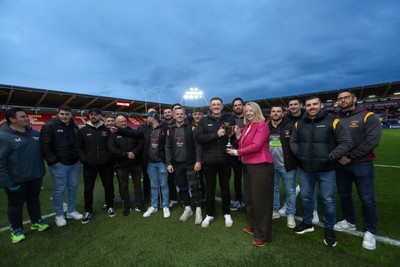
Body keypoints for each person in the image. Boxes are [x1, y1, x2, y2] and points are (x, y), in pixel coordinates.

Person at [290, 95, 352, 247]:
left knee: (328, 200)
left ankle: (329, 228)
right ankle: (307, 222)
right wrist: (300, 154)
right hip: (305, 169)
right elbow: (293, 141)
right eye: (309, 105)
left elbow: (346, 142)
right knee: (306, 198)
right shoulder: (299, 124)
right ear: (305, 107)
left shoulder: (333, 121)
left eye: (314, 104)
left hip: (326, 170)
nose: (311, 107)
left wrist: (332, 156)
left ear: (321, 105)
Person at [334, 90, 382, 250]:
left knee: (367, 199)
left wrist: (350, 155)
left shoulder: (368, 116)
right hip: (341, 164)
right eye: (340, 98)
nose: (343, 100)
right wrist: (339, 156)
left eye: (346, 97)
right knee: (344, 194)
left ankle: (370, 231)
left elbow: (372, 141)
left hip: (362, 164)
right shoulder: (336, 118)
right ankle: (349, 221)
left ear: (354, 99)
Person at [226, 102, 274, 247]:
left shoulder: (262, 125)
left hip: (261, 167)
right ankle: (253, 226)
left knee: (261, 202)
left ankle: (263, 235)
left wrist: (236, 153)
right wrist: (239, 136)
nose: (248, 113)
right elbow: (244, 144)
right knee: (250, 199)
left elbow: (256, 146)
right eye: (246, 111)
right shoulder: (248, 126)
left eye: (250, 110)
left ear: (256, 111)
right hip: (248, 166)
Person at [0, 108, 49, 243]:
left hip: (35, 176)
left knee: (34, 200)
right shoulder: (3, 136)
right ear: (12, 119)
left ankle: (36, 222)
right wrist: (5, 181)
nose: (26, 118)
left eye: (26, 116)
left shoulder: (34, 133)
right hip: (15, 180)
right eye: (22, 117)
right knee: (15, 205)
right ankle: (16, 230)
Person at [115, 111, 171, 218]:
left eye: (148, 118)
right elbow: (133, 133)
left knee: (164, 185)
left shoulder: (164, 128)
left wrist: (168, 161)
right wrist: (119, 130)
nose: (146, 119)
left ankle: (165, 206)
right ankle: (154, 206)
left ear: (152, 118)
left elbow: (168, 146)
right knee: (153, 185)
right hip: (150, 163)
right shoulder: (146, 129)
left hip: (161, 162)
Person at [194, 97, 236, 228]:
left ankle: (227, 213)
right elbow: (199, 137)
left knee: (225, 189)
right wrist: (216, 135)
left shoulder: (230, 119)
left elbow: (233, 138)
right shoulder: (204, 120)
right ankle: (210, 214)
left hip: (225, 160)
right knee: (210, 189)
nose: (216, 106)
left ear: (222, 106)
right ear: (210, 107)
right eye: (214, 105)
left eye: (218, 104)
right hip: (209, 161)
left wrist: (233, 144)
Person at [40, 105, 83, 227]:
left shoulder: (74, 126)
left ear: (71, 115)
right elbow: (45, 146)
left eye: (67, 114)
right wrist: (53, 161)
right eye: (62, 114)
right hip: (59, 164)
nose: (65, 116)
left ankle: (71, 211)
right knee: (59, 189)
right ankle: (59, 215)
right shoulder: (49, 127)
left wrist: (79, 158)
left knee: (73, 187)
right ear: (58, 114)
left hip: (74, 163)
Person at [76, 108, 116, 224]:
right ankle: (88, 210)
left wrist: (108, 158)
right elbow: (78, 147)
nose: (93, 116)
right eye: (91, 114)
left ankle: (109, 206)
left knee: (108, 186)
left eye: (96, 115)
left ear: (100, 116)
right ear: (89, 116)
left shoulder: (106, 130)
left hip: (106, 164)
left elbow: (111, 146)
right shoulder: (82, 131)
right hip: (89, 165)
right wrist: (84, 159)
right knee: (88, 189)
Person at [165, 107, 203, 224]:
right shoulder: (169, 130)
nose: (180, 116)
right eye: (177, 114)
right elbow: (167, 147)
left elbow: (198, 145)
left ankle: (198, 209)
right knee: (183, 188)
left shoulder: (192, 128)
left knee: (195, 187)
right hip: (177, 164)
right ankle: (187, 208)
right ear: (174, 116)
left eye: (182, 114)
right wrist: (169, 163)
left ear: (185, 116)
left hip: (191, 163)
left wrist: (198, 161)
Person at [286, 97, 319, 224]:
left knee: (309, 187)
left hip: (306, 157)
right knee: (290, 187)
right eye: (291, 104)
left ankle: (314, 210)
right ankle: (290, 209)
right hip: (290, 157)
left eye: (295, 104)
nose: (293, 106)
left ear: (300, 105)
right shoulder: (286, 120)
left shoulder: (308, 118)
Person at [108, 115, 145, 216]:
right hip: (121, 165)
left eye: (124, 121)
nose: (123, 123)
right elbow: (112, 149)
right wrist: (126, 154)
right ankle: (127, 206)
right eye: (121, 122)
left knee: (137, 184)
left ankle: (139, 204)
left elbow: (141, 144)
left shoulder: (133, 131)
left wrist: (134, 152)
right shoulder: (112, 134)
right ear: (116, 123)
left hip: (135, 163)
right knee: (123, 186)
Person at [268, 105, 297, 228]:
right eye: (273, 111)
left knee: (290, 191)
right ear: (270, 113)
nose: (275, 113)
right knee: (273, 189)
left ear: (282, 113)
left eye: (278, 111)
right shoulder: (265, 126)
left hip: (287, 165)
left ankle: (290, 214)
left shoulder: (290, 126)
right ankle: (275, 211)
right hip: (270, 165)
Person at [230, 97, 245, 211]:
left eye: (239, 105)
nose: (237, 107)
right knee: (237, 179)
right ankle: (238, 199)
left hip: (248, 153)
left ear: (243, 106)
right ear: (233, 107)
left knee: (249, 178)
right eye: (235, 105)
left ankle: (249, 200)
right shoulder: (229, 119)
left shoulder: (249, 117)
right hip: (234, 154)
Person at [191, 107, 206, 201]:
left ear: (203, 115)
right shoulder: (189, 127)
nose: (197, 116)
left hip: (205, 157)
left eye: (199, 114)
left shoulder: (207, 125)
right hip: (193, 157)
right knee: (194, 180)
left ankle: (205, 197)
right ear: (192, 115)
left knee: (204, 179)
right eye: (195, 114)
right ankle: (196, 197)